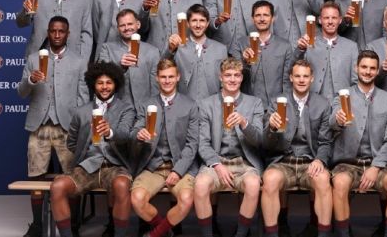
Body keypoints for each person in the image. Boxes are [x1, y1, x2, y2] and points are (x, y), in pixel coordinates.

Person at [17, 16, 89, 237]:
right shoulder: (33, 59)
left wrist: (79, 125)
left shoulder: (78, 61)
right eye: (53, 31)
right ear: (48, 32)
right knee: (36, 177)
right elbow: (21, 92)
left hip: (67, 127)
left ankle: (73, 225)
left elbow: (83, 97)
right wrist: (30, 80)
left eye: (61, 31)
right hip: (39, 126)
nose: (57, 35)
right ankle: (37, 224)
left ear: (68, 33)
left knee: (72, 177)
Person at [49, 62, 135, 237]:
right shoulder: (81, 112)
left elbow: (126, 135)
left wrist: (110, 132)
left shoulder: (126, 108)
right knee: (57, 186)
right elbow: (71, 143)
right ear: (93, 85)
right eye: (100, 83)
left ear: (115, 84)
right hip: (87, 166)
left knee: (121, 184)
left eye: (108, 82)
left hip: (114, 165)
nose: (104, 87)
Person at [330, 50, 387, 237]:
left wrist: (376, 166)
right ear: (356, 68)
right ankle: (343, 234)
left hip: (378, 163)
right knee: (339, 183)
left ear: (378, 71)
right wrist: (338, 120)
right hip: (348, 163)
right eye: (364, 67)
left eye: (372, 68)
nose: (368, 71)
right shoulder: (342, 96)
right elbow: (331, 123)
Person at [261, 60, 333, 237]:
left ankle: (323, 234)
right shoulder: (277, 103)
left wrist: (319, 160)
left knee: (323, 180)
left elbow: (325, 141)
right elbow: (267, 143)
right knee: (269, 180)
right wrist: (271, 127)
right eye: (298, 76)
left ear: (312, 79)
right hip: (283, 161)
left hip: (310, 162)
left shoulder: (323, 104)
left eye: (305, 76)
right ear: (291, 78)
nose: (301, 80)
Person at [194, 58, 265, 237]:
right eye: (228, 75)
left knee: (253, 184)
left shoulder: (254, 103)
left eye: (236, 75)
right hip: (218, 161)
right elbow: (202, 143)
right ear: (221, 78)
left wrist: (243, 122)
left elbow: (259, 140)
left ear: (242, 78)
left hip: (244, 163)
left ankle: (240, 234)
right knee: (201, 185)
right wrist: (217, 165)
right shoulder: (206, 104)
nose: (232, 79)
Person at [130, 59, 200, 237]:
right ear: (157, 78)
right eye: (163, 77)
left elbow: (192, 144)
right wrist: (138, 134)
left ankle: (154, 235)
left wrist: (178, 171)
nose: (167, 81)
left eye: (170, 76)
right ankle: (165, 231)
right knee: (137, 199)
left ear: (178, 77)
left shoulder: (190, 105)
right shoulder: (146, 104)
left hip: (180, 167)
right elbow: (135, 129)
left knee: (186, 200)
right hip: (152, 166)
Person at [232, 0, 294, 109]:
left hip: (275, 107)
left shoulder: (285, 46)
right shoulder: (240, 44)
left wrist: (285, 105)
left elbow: (287, 80)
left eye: (265, 15)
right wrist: (244, 61)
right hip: (247, 107)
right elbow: (234, 77)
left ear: (272, 18)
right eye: (258, 15)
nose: (261, 19)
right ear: (252, 19)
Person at [164, 4, 228, 101]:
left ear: (207, 23)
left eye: (202, 21)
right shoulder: (177, 46)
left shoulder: (221, 49)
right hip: (184, 104)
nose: (198, 25)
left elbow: (226, 80)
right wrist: (170, 49)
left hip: (212, 106)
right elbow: (162, 67)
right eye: (194, 21)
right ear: (188, 24)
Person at [295, 2, 358, 99]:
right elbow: (293, 70)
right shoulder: (308, 44)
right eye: (326, 18)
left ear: (340, 20)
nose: (330, 21)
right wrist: (300, 49)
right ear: (320, 20)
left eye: (334, 18)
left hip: (342, 104)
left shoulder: (352, 47)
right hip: (313, 102)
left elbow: (356, 81)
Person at [97, 9, 161, 105]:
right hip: (117, 108)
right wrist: (120, 67)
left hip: (143, 108)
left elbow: (155, 86)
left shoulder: (153, 51)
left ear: (138, 25)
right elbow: (102, 78)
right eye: (122, 25)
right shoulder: (107, 48)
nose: (126, 28)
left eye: (130, 24)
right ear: (118, 28)